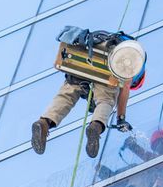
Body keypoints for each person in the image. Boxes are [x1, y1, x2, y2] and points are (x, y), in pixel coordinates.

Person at [32, 29, 142, 157]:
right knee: (106, 100)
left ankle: (44, 122)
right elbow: (126, 86)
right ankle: (96, 125)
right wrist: (121, 118)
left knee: (67, 94)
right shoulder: (135, 61)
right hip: (108, 64)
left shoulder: (109, 38)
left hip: (83, 54)